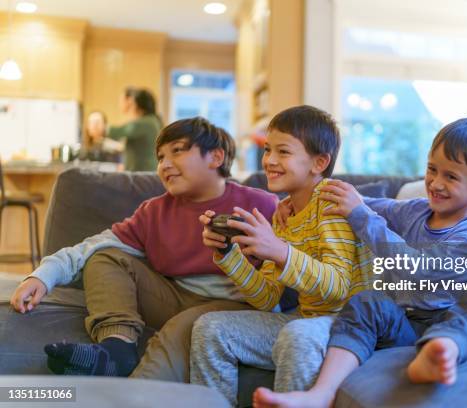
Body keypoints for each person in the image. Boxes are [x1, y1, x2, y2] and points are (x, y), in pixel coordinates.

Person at [253, 117, 467, 408]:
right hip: (409, 324)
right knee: (367, 300)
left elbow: (417, 270)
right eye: (432, 170)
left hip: (459, 321)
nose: (436, 183)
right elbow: (364, 204)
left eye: (452, 177)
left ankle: (443, 349)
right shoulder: (417, 210)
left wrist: (361, 215)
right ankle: (322, 393)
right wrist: (306, 199)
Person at [9, 117, 278, 380]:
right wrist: (43, 276)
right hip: (172, 295)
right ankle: (118, 347)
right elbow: (93, 245)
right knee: (104, 257)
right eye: (160, 157)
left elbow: (294, 258)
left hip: (232, 305)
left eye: (178, 151)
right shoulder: (154, 211)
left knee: (180, 331)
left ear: (216, 158)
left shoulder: (262, 204)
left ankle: (136, 393)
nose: (165, 164)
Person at [191, 105, 373, 407]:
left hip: (347, 324)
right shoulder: (284, 213)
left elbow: (338, 286)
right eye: (268, 150)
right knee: (210, 328)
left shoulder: (332, 201)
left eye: (284, 152)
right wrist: (228, 254)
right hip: (307, 319)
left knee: (297, 334)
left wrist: (280, 251)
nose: (270, 161)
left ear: (319, 162)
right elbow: (268, 299)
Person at [107, 87, 162, 171]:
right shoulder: (152, 120)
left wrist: (100, 128)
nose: (120, 104)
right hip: (144, 172)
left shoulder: (145, 122)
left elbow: (118, 132)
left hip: (143, 173)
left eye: (122, 100)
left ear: (133, 102)